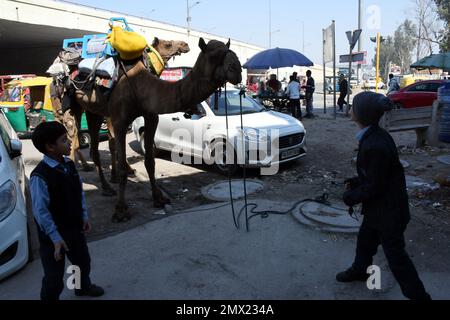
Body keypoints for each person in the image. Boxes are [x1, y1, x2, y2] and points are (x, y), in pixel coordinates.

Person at [337, 91, 431, 301]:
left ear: (361, 114)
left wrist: (351, 196)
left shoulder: (374, 144)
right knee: (365, 242)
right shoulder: (374, 135)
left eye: (353, 106)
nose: (350, 109)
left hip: (389, 214)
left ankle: (420, 297)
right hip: (379, 210)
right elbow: (377, 175)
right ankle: (361, 271)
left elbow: (375, 185)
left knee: (397, 259)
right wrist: (357, 180)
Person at [30, 121, 104, 301]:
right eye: (64, 140)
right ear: (50, 147)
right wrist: (55, 238)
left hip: (74, 229)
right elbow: (41, 212)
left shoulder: (69, 165)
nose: (70, 142)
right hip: (53, 237)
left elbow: (79, 193)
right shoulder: (40, 176)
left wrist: (84, 216)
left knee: (82, 263)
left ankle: (81, 288)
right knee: (54, 278)